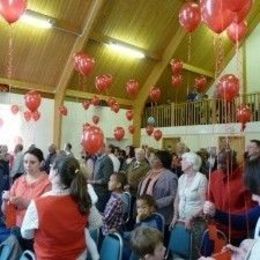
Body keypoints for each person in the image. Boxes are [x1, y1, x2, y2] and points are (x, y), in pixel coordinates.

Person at [21, 155, 99, 260]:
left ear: (56, 172)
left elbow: (26, 234)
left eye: (51, 166)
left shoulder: (38, 204)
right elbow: (96, 223)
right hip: (78, 256)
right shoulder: (83, 198)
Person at [199, 158, 260, 260]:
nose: (253, 197)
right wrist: (245, 254)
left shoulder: (240, 178)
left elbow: (245, 220)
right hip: (216, 226)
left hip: (234, 232)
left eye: (257, 192)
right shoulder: (214, 175)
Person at [1, 148, 50, 250]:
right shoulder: (18, 181)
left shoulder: (47, 184)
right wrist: (6, 201)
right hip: (17, 227)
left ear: (41, 163)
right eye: (25, 162)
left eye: (32, 162)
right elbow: (6, 211)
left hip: (35, 231)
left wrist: (26, 203)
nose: (28, 165)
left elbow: (47, 211)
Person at [171, 152, 208, 259]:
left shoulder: (201, 178)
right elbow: (177, 199)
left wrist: (191, 217)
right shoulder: (181, 178)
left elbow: (204, 204)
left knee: (193, 253)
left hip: (196, 223)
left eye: (183, 159)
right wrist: (175, 216)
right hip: (181, 221)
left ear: (191, 163)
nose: (180, 161)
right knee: (179, 250)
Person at [138, 150, 178, 232]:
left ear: (162, 162)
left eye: (155, 158)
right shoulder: (149, 172)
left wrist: (154, 204)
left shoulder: (170, 176)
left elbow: (174, 196)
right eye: (152, 157)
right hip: (144, 211)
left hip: (160, 213)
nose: (151, 159)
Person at [89, 144, 114, 212]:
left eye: (97, 148)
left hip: (102, 193)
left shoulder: (106, 160)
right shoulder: (98, 159)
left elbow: (106, 179)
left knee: (99, 213)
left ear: (103, 148)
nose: (95, 151)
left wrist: (92, 182)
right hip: (96, 191)